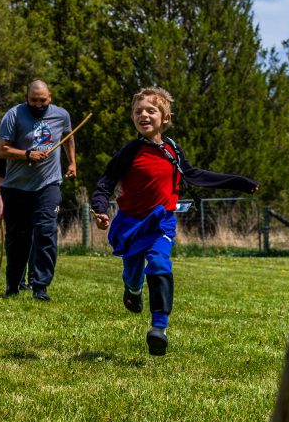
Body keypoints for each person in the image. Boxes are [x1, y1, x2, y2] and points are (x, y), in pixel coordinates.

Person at [90, 87, 258, 356]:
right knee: (133, 274)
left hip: (162, 222)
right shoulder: (129, 152)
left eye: (150, 110)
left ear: (165, 118)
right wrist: (101, 210)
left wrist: (238, 182)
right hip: (131, 223)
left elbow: (195, 175)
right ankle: (132, 289)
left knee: (158, 263)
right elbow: (104, 185)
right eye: (137, 111)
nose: (143, 115)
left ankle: (159, 328)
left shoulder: (173, 150)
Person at [0, 80, 76, 301]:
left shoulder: (61, 115)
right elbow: (2, 151)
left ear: (50, 97)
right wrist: (27, 154)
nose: (39, 104)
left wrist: (72, 163)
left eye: (43, 100)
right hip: (16, 187)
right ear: (26, 98)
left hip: (48, 185)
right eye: (34, 100)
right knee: (17, 239)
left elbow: (68, 137)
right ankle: (13, 284)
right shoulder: (13, 116)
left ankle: (40, 286)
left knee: (46, 232)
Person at [0, 157, 29, 292]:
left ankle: (33, 281)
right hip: (13, 198)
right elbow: (0, 181)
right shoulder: (4, 152)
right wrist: (1, 206)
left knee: (33, 239)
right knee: (15, 240)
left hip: (32, 196)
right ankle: (18, 281)